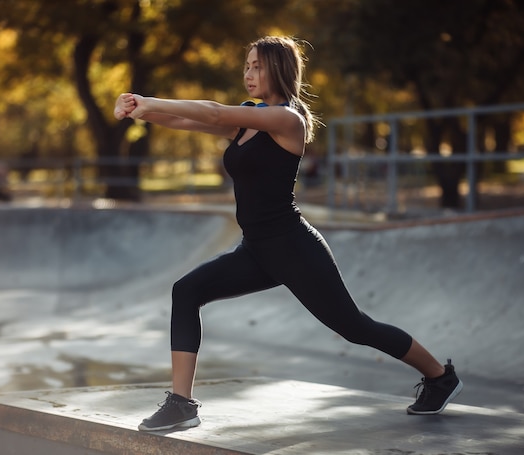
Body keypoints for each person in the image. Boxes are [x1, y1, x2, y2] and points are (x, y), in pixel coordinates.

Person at [114, 35, 463, 432]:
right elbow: (186, 120)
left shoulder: (286, 119)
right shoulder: (248, 118)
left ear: (279, 69)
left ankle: (440, 376)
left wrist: (150, 100)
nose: (248, 73)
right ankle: (181, 404)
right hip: (256, 250)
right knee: (186, 291)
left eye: (257, 66)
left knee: (354, 327)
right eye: (246, 66)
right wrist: (137, 110)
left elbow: (211, 112)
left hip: (292, 246)